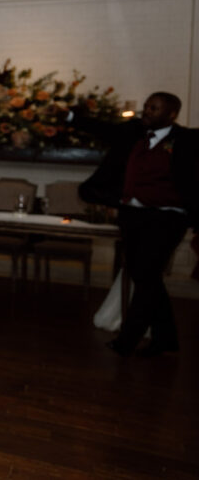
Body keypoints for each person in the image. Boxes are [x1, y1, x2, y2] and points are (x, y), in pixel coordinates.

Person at [75, 92, 199, 357]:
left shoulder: (186, 140)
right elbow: (103, 129)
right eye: (146, 106)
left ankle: (127, 340)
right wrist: (71, 117)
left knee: (146, 276)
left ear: (171, 114)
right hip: (134, 215)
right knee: (146, 277)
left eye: (154, 108)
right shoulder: (134, 135)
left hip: (167, 218)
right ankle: (166, 338)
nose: (147, 111)